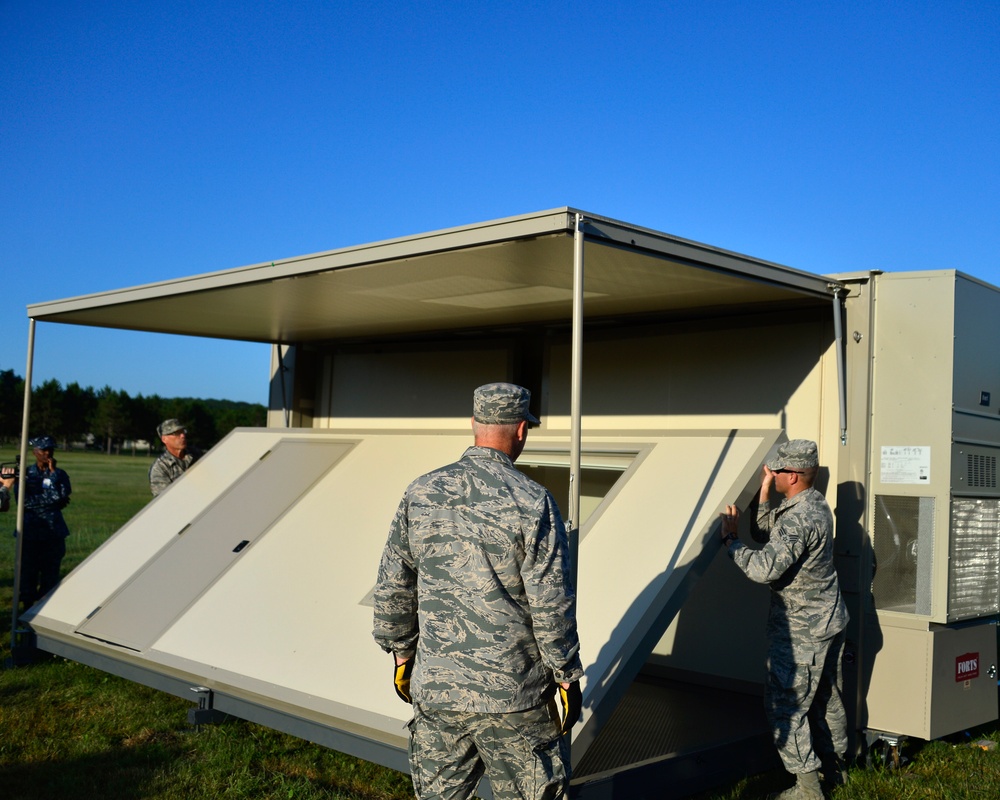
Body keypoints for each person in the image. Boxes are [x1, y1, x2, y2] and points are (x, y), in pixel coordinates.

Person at [373, 382, 584, 800]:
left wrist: (401, 653)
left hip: (438, 691)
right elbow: (551, 604)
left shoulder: (421, 492)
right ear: (522, 430)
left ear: (473, 423)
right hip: (515, 696)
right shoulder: (533, 501)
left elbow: (394, 584)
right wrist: (566, 676)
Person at [720, 439, 849, 800]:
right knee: (826, 700)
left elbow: (763, 566)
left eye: (776, 471)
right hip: (825, 621)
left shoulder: (800, 518)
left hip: (803, 632)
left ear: (792, 475)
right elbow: (768, 535)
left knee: (785, 707)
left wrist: (730, 541)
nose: (772, 474)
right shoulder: (812, 504)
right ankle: (836, 771)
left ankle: (808, 789)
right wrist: (763, 489)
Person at [16, 435, 72, 609]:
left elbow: (63, 496)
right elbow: (24, 501)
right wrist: (52, 500)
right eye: (43, 450)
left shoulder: (59, 474)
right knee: (28, 573)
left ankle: (45, 608)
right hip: (30, 532)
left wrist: (53, 475)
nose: (47, 453)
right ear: (34, 452)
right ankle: (26, 609)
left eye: (50, 449)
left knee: (51, 574)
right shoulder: (25, 474)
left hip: (53, 532)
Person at [149, 418, 202, 496]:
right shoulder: (160, 468)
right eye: (176, 433)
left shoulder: (197, 455)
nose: (183, 436)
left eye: (183, 431)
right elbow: (165, 500)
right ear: (164, 439)